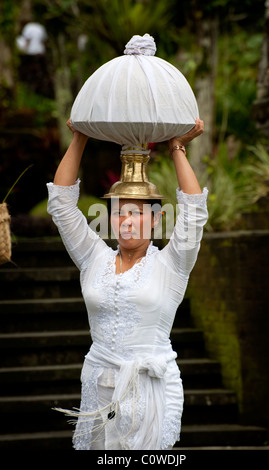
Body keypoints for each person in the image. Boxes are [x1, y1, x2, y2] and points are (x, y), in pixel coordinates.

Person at [46, 118, 208, 450]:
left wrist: (176, 147)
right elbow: (61, 206)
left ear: (156, 219)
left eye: (136, 212)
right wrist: (80, 136)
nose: (127, 221)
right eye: (119, 212)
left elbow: (193, 213)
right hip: (98, 386)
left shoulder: (171, 264)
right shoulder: (94, 257)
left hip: (149, 390)